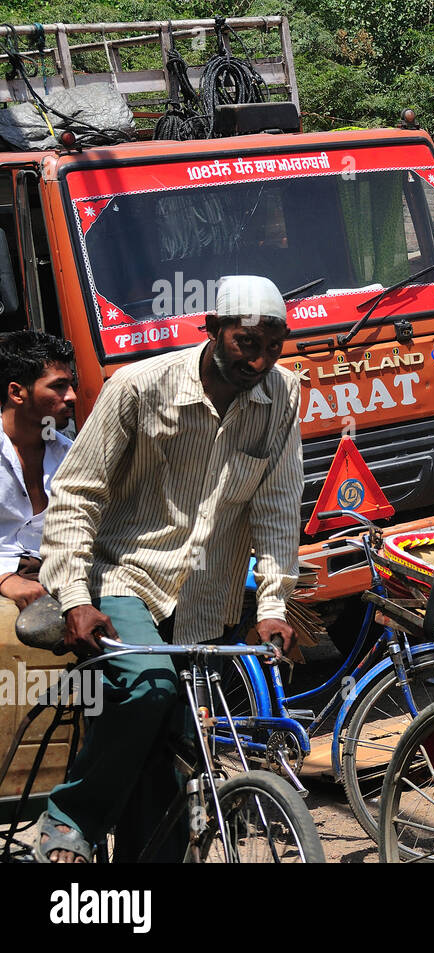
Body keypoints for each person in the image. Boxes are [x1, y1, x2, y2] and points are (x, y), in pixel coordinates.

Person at [35, 275, 303, 862]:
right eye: (246, 343)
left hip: (208, 593)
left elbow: (279, 507)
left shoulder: (283, 394)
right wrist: (75, 594)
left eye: (274, 344)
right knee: (148, 688)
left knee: (177, 746)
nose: (260, 359)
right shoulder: (138, 386)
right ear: (211, 331)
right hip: (125, 573)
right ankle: (68, 818)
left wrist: (275, 606)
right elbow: (77, 494)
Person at [1, 330, 77, 636]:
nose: (71, 396)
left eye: (71, 385)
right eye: (58, 387)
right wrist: (6, 580)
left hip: (59, 579)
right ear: (17, 393)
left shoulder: (69, 454)